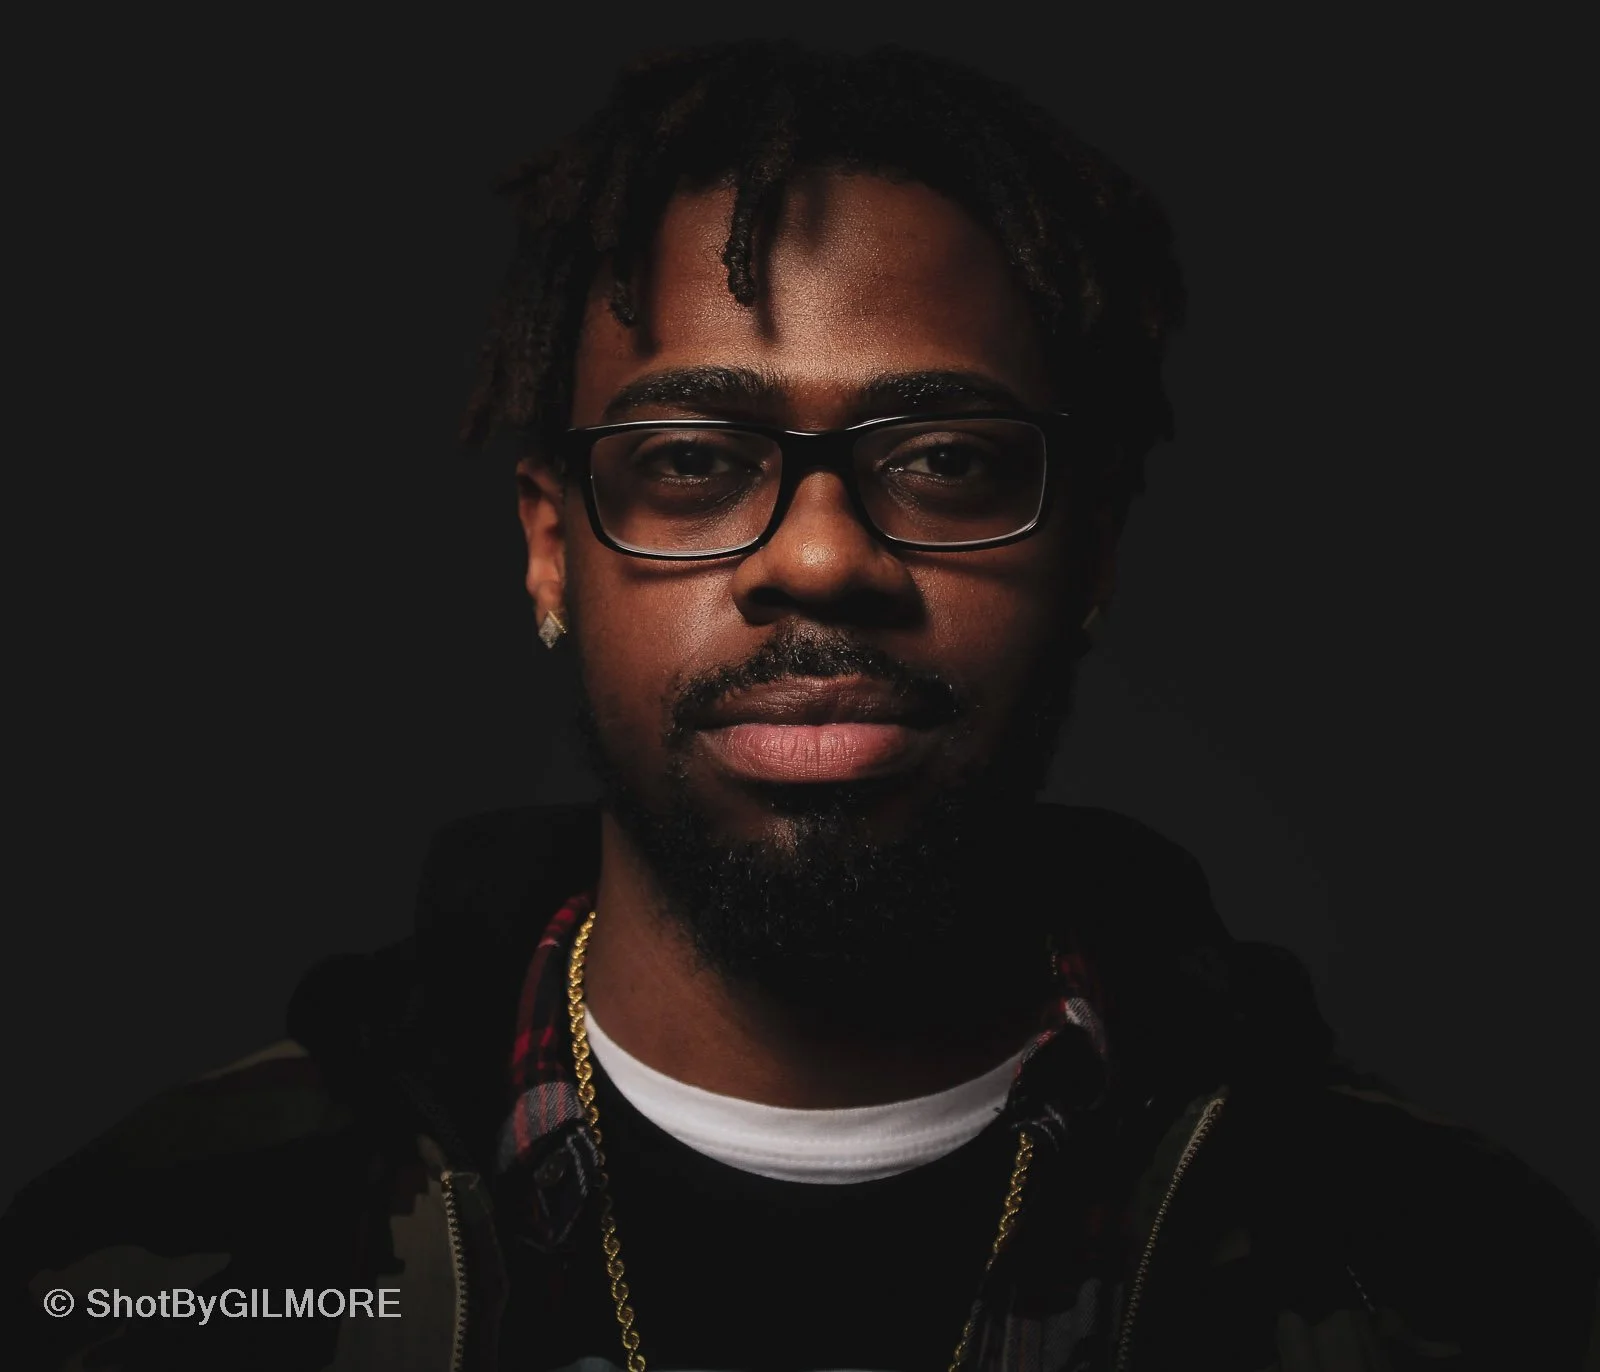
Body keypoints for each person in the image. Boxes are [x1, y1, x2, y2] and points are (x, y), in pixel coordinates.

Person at [5, 39, 1596, 1372]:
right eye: (693, 462)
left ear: (1093, 552)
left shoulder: (1457, 1288)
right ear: (553, 549)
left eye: (949, 460)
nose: (822, 557)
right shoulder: (165, 1270)